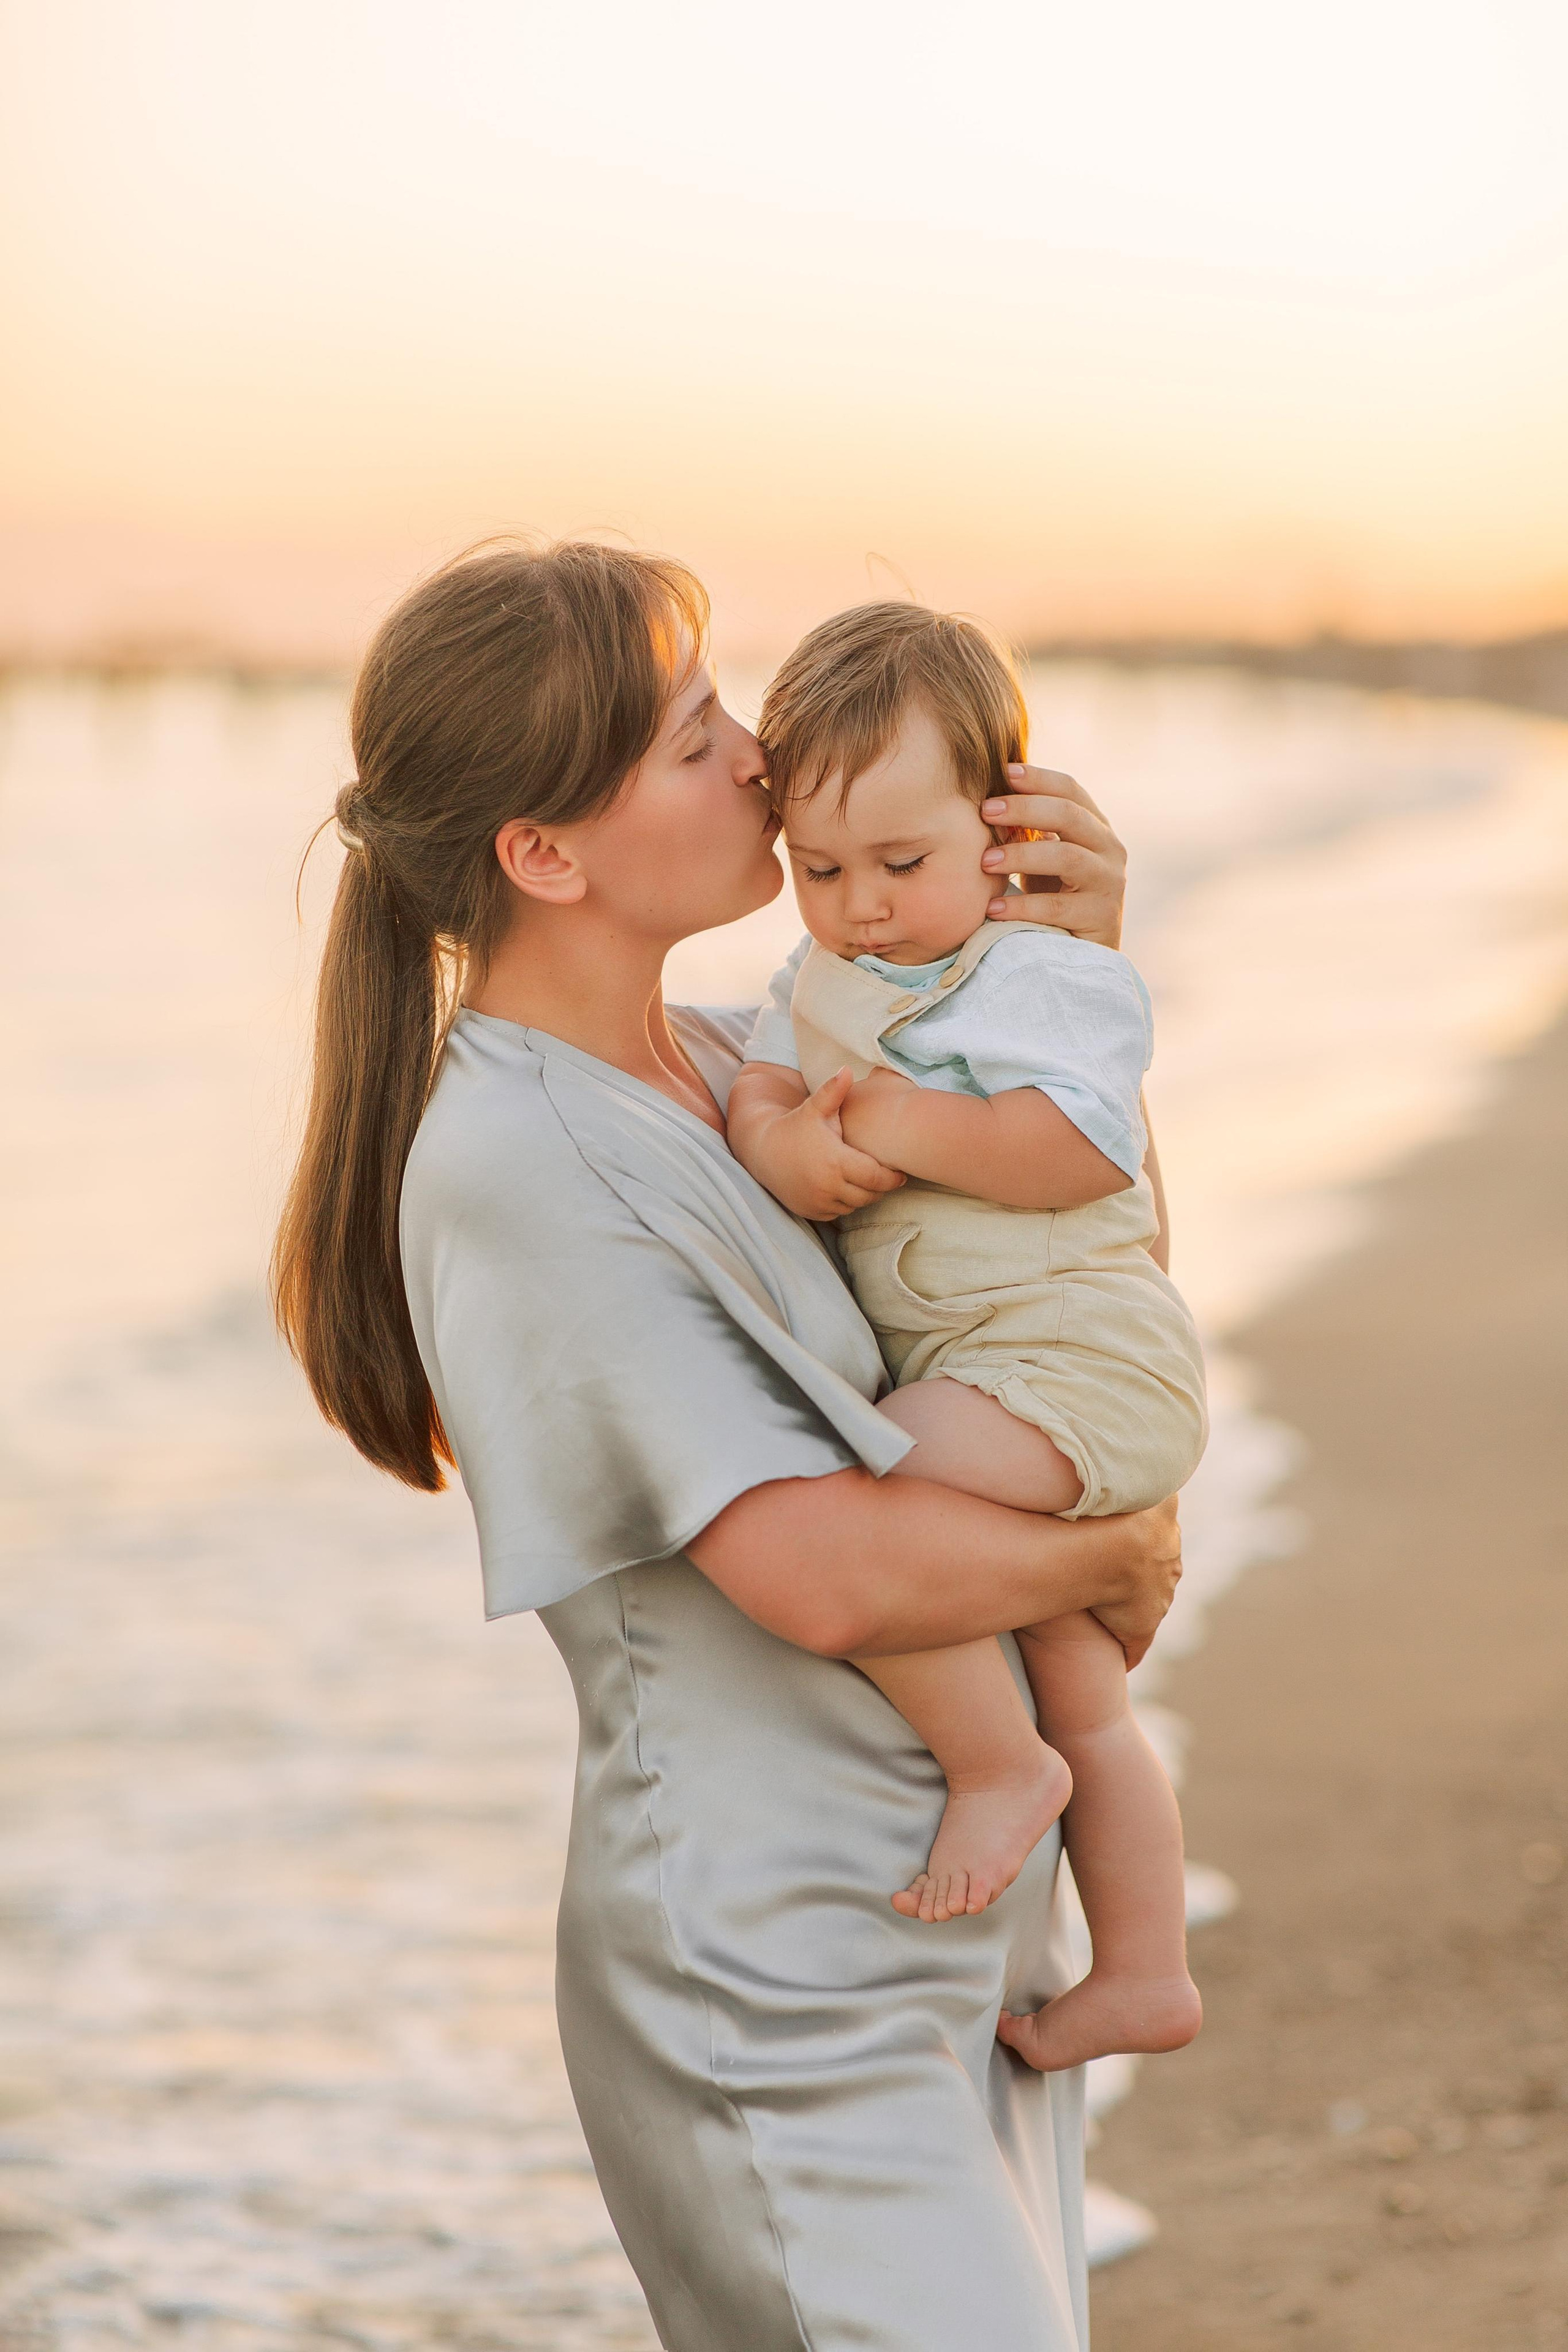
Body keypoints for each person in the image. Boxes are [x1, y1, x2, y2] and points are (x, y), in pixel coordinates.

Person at [273, 539, 1181, 2352]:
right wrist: (1112, 1558)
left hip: (945, 1931)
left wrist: (1053, 998)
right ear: (545, 852)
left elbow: (1091, 1270)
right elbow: (822, 1573)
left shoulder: (727, 1063)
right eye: (695, 737)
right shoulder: (522, 1165)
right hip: (779, 1981)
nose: (762, 755)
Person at [727, 601, 1206, 2074]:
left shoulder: (1045, 972)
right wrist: (783, 1150)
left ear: (998, 832)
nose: (860, 905)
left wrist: (896, 1120)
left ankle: (996, 1771)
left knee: (861, 1483)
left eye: (900, 863)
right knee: (1084, 1683)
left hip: (1082, 1359)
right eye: (816, 870)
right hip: (995, 1373)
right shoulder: (815, 985)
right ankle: (1141, 1969)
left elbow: (1076, 1151)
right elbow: (760, 1090)